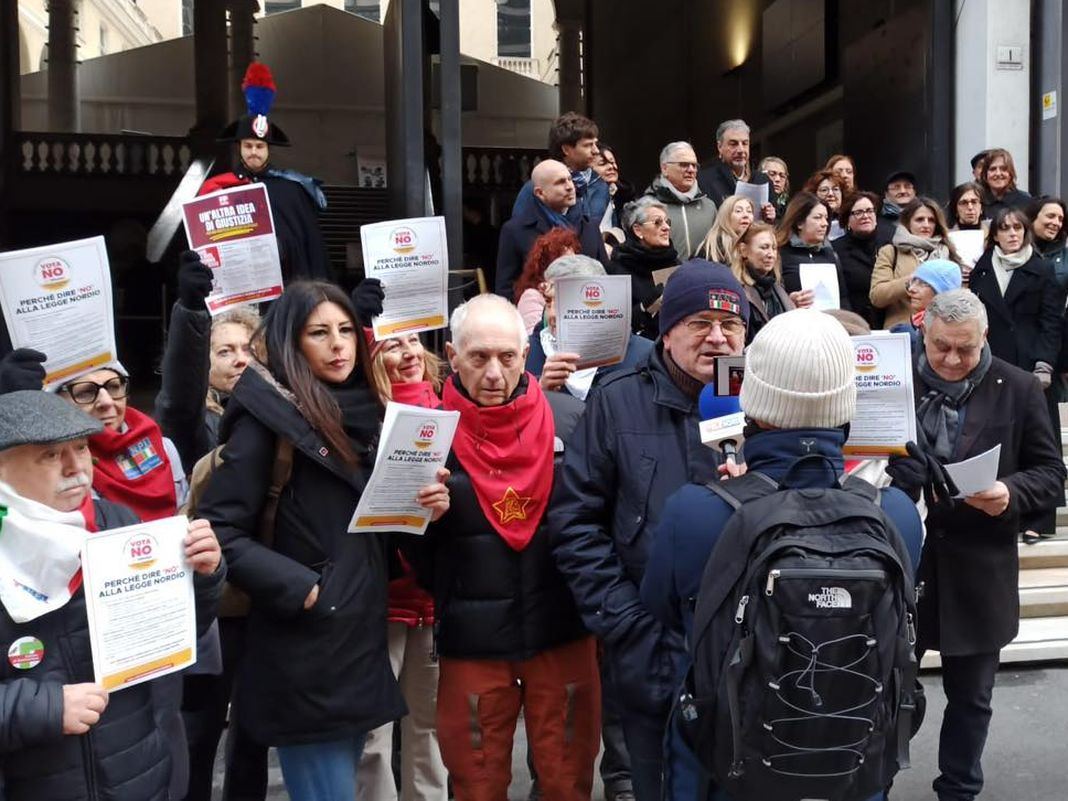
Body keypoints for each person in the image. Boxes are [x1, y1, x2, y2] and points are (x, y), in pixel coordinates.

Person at [641, 309, 924, 801]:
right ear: (849, 404)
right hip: (851, 770)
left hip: (729, 770)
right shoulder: (895, 512)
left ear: (751, 400)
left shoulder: (696, 512)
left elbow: (661, 609)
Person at [195, 281, 450, 801]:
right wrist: (305, 589)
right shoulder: (265, 421)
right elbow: (222, 530)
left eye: (344, 331)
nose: (338, 345)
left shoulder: (367, 415)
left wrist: (426, 510)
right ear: (293, 343)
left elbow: (374, 534)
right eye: (319, 333)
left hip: (359, 637)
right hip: (304, 647)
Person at [550, 260, 749, 801]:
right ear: (668, 331)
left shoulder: (757, 398)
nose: (717, 337)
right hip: (650, 644)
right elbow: (575, 522)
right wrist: (628, 625)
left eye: (731, 326)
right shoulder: (617, 399)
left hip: (742, 650)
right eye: (701, 322)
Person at [416, 294, 599, 801]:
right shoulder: (425, 437)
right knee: (475, 785)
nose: (494, 373)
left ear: (527, 354)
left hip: (563, 632)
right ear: (452, 357)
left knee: (568, 782)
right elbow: (408, 561)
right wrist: (422, 523)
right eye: (479, 358)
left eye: (507, 357)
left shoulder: (574, 422)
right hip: (472, 645)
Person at [0, 389, 225, 801]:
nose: (76, 468)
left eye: (82, 448)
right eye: (50, 455)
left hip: (142, 775)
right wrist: (45, 709)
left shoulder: (117, 525)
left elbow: (172, 636)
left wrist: (205, 576)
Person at [895, 289, 1065, 801]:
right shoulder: (892, 377)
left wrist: (1010, 492)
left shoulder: (1017, 387)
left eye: (964, 350)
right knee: (887, 687)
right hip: (905, 561)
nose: (949, 360)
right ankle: (873, 780)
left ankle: (960, 789)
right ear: (923, 333)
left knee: (971, 697)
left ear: (984, 337)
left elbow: (1052, 473)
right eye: (940, 346)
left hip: (980, 563)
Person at [357, 330, 448, 801]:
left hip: (431, 598)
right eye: (392, 345)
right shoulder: (360, 419)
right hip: (382, 600)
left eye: (413, 341)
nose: (409, 352)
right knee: (372, 732)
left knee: (428, 724)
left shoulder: (449, 412)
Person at [200, 62, 331, 281]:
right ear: (239, 148)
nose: (254, 152)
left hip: (287, 289)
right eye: (248, 146)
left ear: (268, 150)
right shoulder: (218, 189)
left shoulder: (291, 190)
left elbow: (312, 252)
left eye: (260, 147)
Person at [529, 254, 655, 399]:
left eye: (567, 302)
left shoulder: (645, 357)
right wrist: (540, 393)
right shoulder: (525, 354)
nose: (553, 314)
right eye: (549, 302)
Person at [495, 159, 608, 297]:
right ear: (540, 193)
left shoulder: (590, 227)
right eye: (560, 182)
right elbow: (505, 288)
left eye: (569, 179)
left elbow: (606, 277)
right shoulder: (515, 230)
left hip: (588, 311)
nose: (570, 187)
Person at [870, 196, 962, 329]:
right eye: (919, 220)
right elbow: (877, 296)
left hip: (941, 331)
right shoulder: (891, 252)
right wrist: (914, 280)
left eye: (931, 220)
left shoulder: (947, 252)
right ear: (908, 223)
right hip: (902, 331)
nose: (926, 225)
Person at [511, 111, 610, 227]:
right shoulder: (536, 188)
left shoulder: (599, 184)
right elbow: (519, 233)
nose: (596, 151)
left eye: (595, 144)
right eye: (588, 145)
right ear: (566, 149)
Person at [607, 197, 681, 338]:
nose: (666, 227)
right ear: (638, 230)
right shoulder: (618, 269)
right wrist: (644, 307)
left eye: (667, 221)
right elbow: (614, 324)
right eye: (657, 222)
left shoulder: (675, 263)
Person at [776, 192, 852, 310]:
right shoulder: (780, 254)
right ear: (799, 223)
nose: (825, 224)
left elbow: (843, 298)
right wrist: (790, 301)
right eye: (818, 218)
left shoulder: (830, 254)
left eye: (826, 218)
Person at [643, 142, 718, 260]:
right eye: (684, 165)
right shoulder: (648, 207)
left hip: (704, 276)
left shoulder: (709, 207)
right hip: (665, 277)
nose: (691, 170)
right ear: (665, 168)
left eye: (694, 165)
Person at [730, 222, 801, 343]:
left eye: (774, 248)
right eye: (764, 247)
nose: (771, 254)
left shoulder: (779, 291)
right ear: (743, 250)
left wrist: (793, 306)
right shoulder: (734, 290)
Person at [696, 119, 776, 221]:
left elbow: (778, 222)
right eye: (733, 144)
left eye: (745, 143)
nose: (741, 150)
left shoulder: (763, 180)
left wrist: (771, 215)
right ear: (720, 147)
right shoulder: (705, 180)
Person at [512, 227, 583, 334]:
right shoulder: (531, 297)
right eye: (565, 263)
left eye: (575, 261)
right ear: (547, 265)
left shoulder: (577, 295)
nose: (572, 268)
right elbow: (535, 339)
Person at [834, 190, 884, 327]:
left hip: (887, 321)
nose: (865, 216)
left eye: (869, 211)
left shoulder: (889, 243)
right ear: (847, 220)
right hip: (853, 321)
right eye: (858, 213)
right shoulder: (836, 249)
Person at [695, 194, 755, 263]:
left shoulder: (755, 244)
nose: (746, 215)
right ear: (726, 216)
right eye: (738, 211)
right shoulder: (714, 248)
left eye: (749, 211)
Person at [593, 143, 636, 232]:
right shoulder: (584, 199)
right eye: (602, 164)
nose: (611, 167)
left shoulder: (626, 197)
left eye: (612, 162)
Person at [980, 147, 1031, 219]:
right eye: (993, 169)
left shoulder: (1025, 201)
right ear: (985, 175)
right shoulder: (979, 201)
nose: (998, 173)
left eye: (1003, 169)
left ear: (1011, 173)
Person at [1029, 196, 1068, 289]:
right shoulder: (1016, 249)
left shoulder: (1065, 255)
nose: (1056, 223)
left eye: (1060, 219)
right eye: (1050, 216)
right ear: (1033, 217)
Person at [803, 170, 847, 240]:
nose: (831, 194)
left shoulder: (849, 220)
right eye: (824, 190)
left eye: (835, 189)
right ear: (814, 194)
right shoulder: (806, 221)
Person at [877, 169, 918, 243]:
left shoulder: (926, 217)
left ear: (914, 192)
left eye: (907, 186)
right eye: (896, 187)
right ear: (886, 194)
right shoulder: (877, 224)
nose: (902, 191)